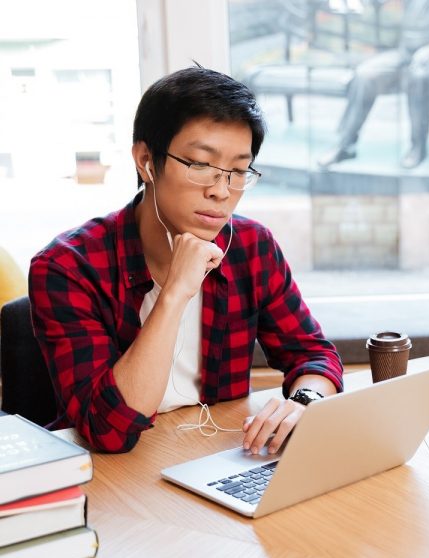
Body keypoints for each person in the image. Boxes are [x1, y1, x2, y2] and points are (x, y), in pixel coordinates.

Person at [29, 65, 343, 454]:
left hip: (217, 454)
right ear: (145, 160)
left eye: (239, 171)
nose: (221, 190)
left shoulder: (251, 245)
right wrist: (175, 292)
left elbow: (312, 353)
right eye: (199, 165)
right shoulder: (67, 268)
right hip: (112, 477)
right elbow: (107, 431)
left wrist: (305, 402)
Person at [318, 0, 429, 170]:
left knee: (419, 75)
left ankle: (418, 147)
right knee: (365, 75)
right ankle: (345, 144)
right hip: (407, 51)